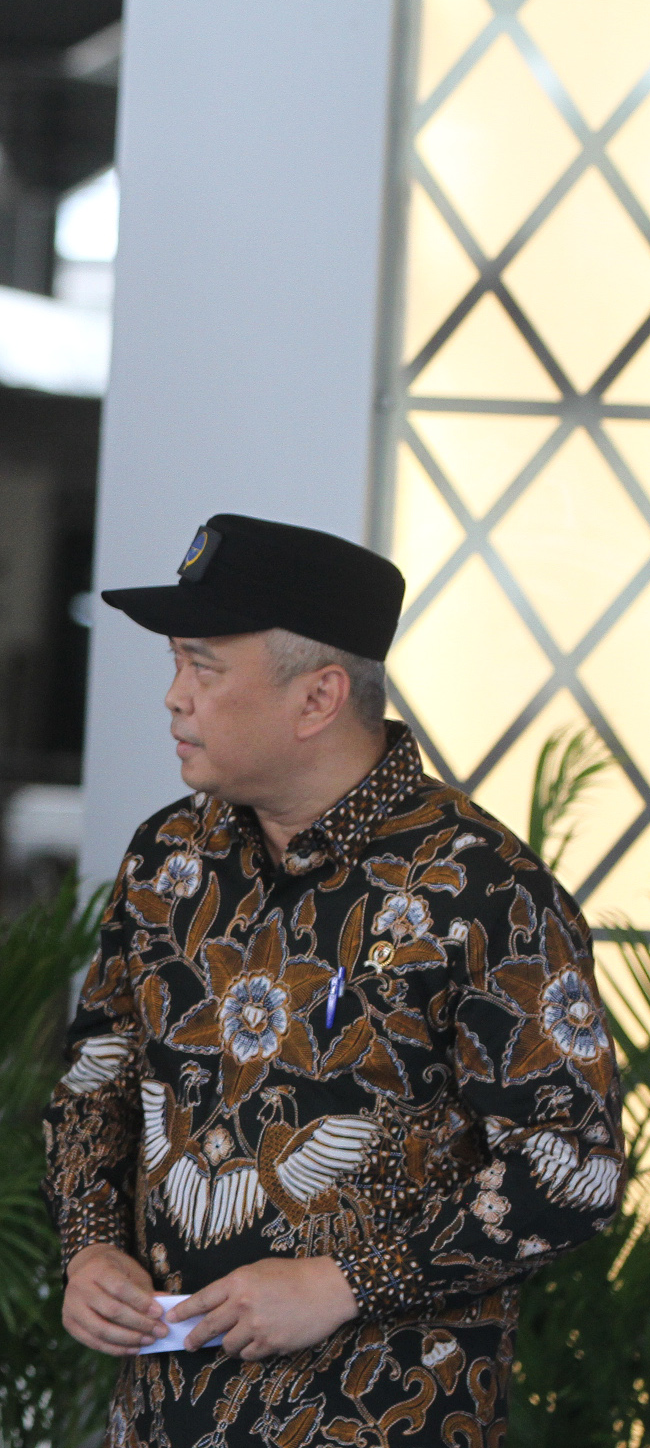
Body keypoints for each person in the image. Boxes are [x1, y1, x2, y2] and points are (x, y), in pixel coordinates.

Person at [44, 514, 627, 1445]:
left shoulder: (484, 890)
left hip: (378, 1416)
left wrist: (347, 1283)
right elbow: (97, 1077)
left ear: (317, 698)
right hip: (160, 1421)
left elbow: (575, 1168)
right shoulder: (166, 859)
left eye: (204, 667)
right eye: (174, 666)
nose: (173, 698)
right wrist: (90, 1246)